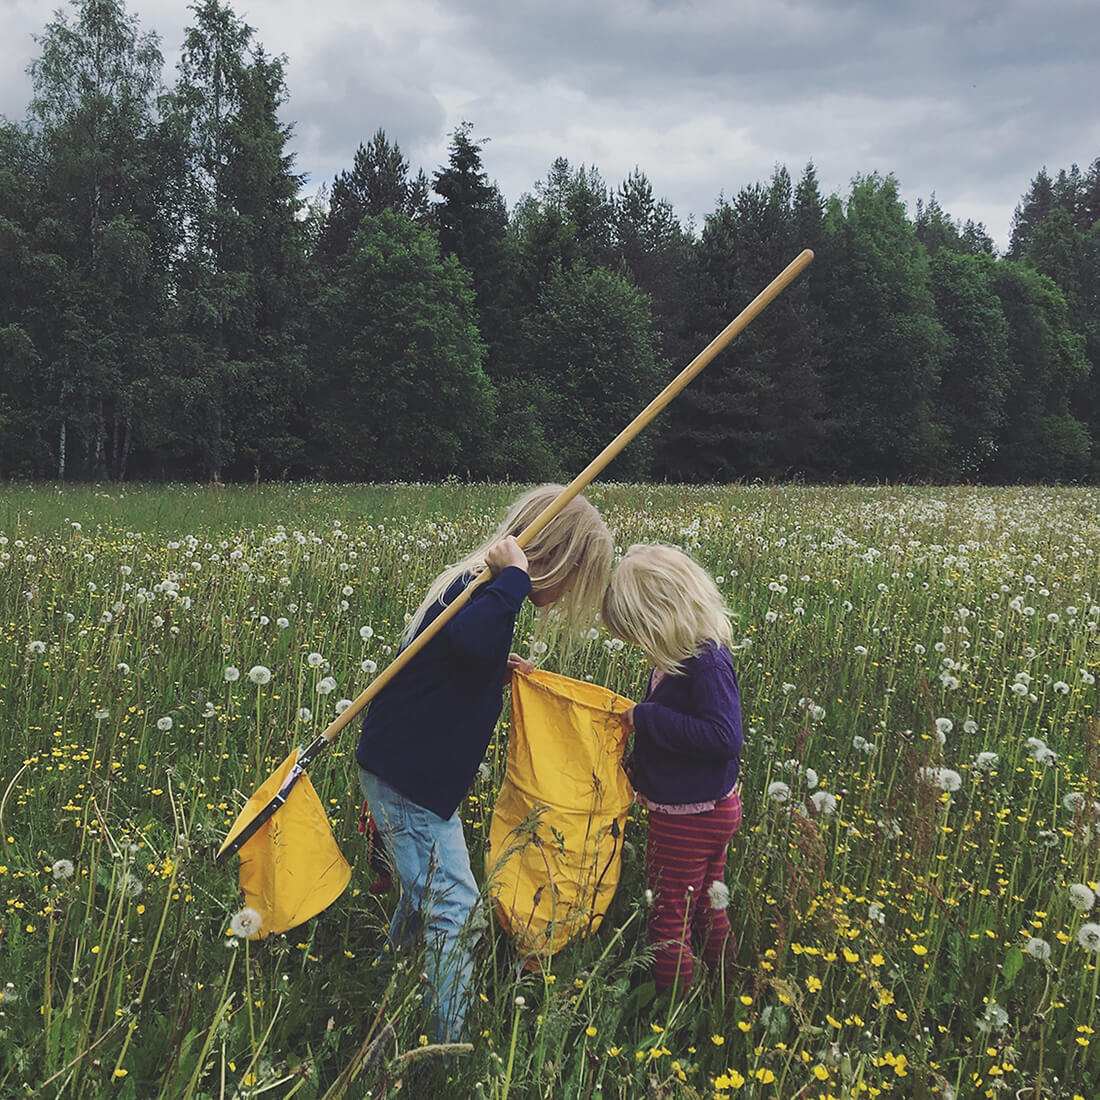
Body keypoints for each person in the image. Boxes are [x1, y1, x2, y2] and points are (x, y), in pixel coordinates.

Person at [356, 486, 613, 1041]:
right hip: (410, 781)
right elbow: (470, 644)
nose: (568, 593)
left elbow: (462, 659)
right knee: (459, 908)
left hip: (411, 775)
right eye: (572, 579)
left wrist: (497, 667)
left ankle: (388, 977)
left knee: (426, 885)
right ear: (551, 559)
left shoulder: (485, 597)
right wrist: (517, 580)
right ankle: (445, 1046)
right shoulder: (482, 590)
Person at [601, 543, 743, 996]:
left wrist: (646, 718)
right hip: (702, 807)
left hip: (691, 816)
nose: (641, 646)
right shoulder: (683, 658)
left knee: (668, 917)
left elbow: (723, 737)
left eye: (641, 633)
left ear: (663, 615)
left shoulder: (706, 662)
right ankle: (724, 985)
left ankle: (672, 1014)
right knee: (705, 901)